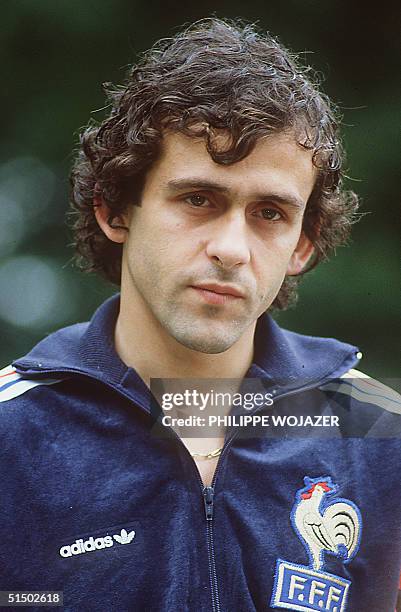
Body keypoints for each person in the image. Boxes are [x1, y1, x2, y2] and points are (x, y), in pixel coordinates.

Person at [0, 18, 400, 612]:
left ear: (302, 245)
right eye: (198, 199)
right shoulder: (12, 437)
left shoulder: (382, 435)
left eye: (269, 213)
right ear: (114, 209)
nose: (232, 249)